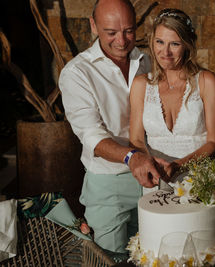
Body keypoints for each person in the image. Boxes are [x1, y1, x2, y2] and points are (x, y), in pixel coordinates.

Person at [59, 0, 162, 256]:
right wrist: (131, 156)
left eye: (128, 30)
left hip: (154, 177)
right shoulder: (76, 73)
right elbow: (91, 135)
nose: (122, 40)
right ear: (93, 25)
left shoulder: (148, 62)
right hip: (108, 184)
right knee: (109, 260)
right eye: (111, 32)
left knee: (156, 256)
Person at [129, 8, 215, 191]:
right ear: (152, 41)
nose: (165, 52)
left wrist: (179, 166)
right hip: (155, 181)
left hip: (200, 181)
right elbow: (137, 140)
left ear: (187, 45)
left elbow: (214, 142)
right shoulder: (141, 85)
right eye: (160, 42)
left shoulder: (206, 81)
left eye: (175, 44)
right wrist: (149, 165)